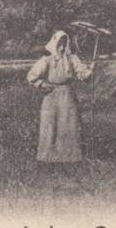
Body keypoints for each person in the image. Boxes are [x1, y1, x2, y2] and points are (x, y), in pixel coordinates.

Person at [26, 30, 94, 170]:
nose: (62, 48)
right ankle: (47, 158)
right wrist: (42, 84)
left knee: (69, 124)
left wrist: (88, 72)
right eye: (59, 44)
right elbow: (31, 76)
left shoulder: (72, 59)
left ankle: (70, 159)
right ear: (54, 44)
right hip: (51, 96)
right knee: (50, 125)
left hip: (67, 95)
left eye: (64, 44)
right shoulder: (47, 60)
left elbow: (82, 73)